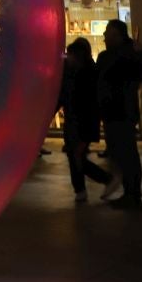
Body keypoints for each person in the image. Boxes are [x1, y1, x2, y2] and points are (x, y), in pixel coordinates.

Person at [95, 18, 142, 209]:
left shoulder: (115, 57)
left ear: (117, 35)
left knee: (125, 153)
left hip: (119, 112)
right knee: (122, 152)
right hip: (118, 111)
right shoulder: (128, 55)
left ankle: (132, 193)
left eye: (108, 33)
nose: (104, 36)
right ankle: (131, 192)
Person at [57, 37, 108, 202]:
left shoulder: (83, 75)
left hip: (80, 123)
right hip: (77, 122)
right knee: (75, 156)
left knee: (76, 155)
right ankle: (81, 189)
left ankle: (103, 180)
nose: (68, 58)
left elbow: (84, 103)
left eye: (70, 55)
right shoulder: (81, 73)